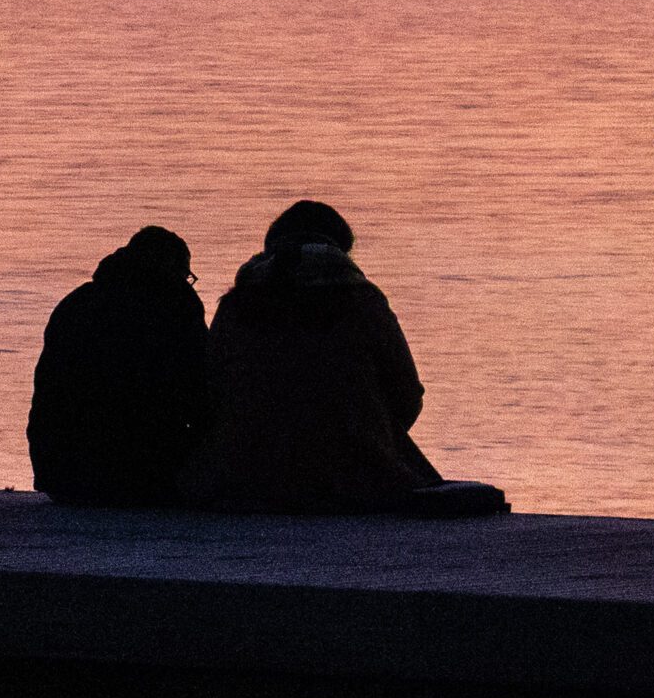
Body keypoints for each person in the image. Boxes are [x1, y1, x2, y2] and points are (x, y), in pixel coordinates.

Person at [179, 201, 506, 515]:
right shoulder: (363, 301)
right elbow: (408, 397)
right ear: (340, 250)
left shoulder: (237, 304)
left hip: (245, 478)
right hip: (355, 480)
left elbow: (212, 391)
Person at [27, 226, 209, 506]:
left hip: (62, 474)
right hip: (136, 477)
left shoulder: (77, 302)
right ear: (172, 270)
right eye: (186, 275)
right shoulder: (175, 307)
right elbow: (199, 387)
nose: (187, 283)